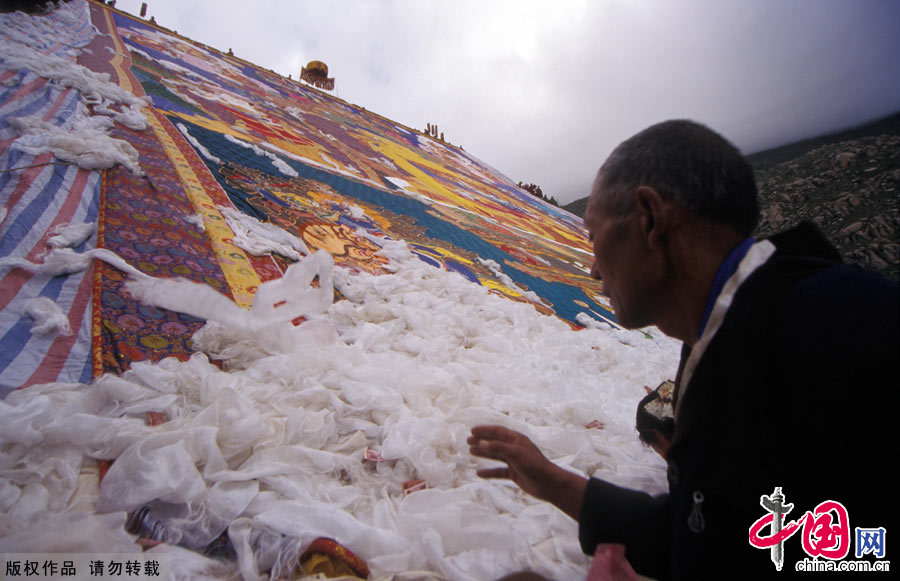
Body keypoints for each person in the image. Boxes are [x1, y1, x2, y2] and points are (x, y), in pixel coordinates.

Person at [469, 120, 898, 579]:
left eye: (593, 238)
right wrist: (555, 483)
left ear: (650, 220)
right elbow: (716, 533)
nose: (593, 269)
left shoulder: (846, 327)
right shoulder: (718, 338)